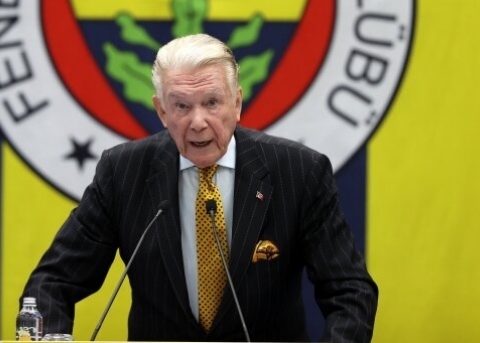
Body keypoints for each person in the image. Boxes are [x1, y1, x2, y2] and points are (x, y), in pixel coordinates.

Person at [22, 33, 378, 342]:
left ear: (236, 103)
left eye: (211, 102)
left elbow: (351, 291)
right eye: (181, 106)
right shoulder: (123, 172)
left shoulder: (298, 171)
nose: (197, 122)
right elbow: (51, 283)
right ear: (161, 111)